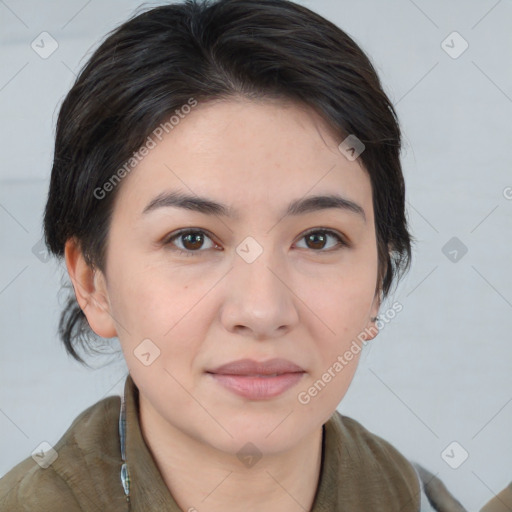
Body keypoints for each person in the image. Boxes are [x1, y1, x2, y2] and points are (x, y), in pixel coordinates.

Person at [0, 0, 429, 509]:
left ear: (379, 280)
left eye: (318, 238)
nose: (262, 311)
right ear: (93, 282)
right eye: (192, 239)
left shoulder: (419, 496)